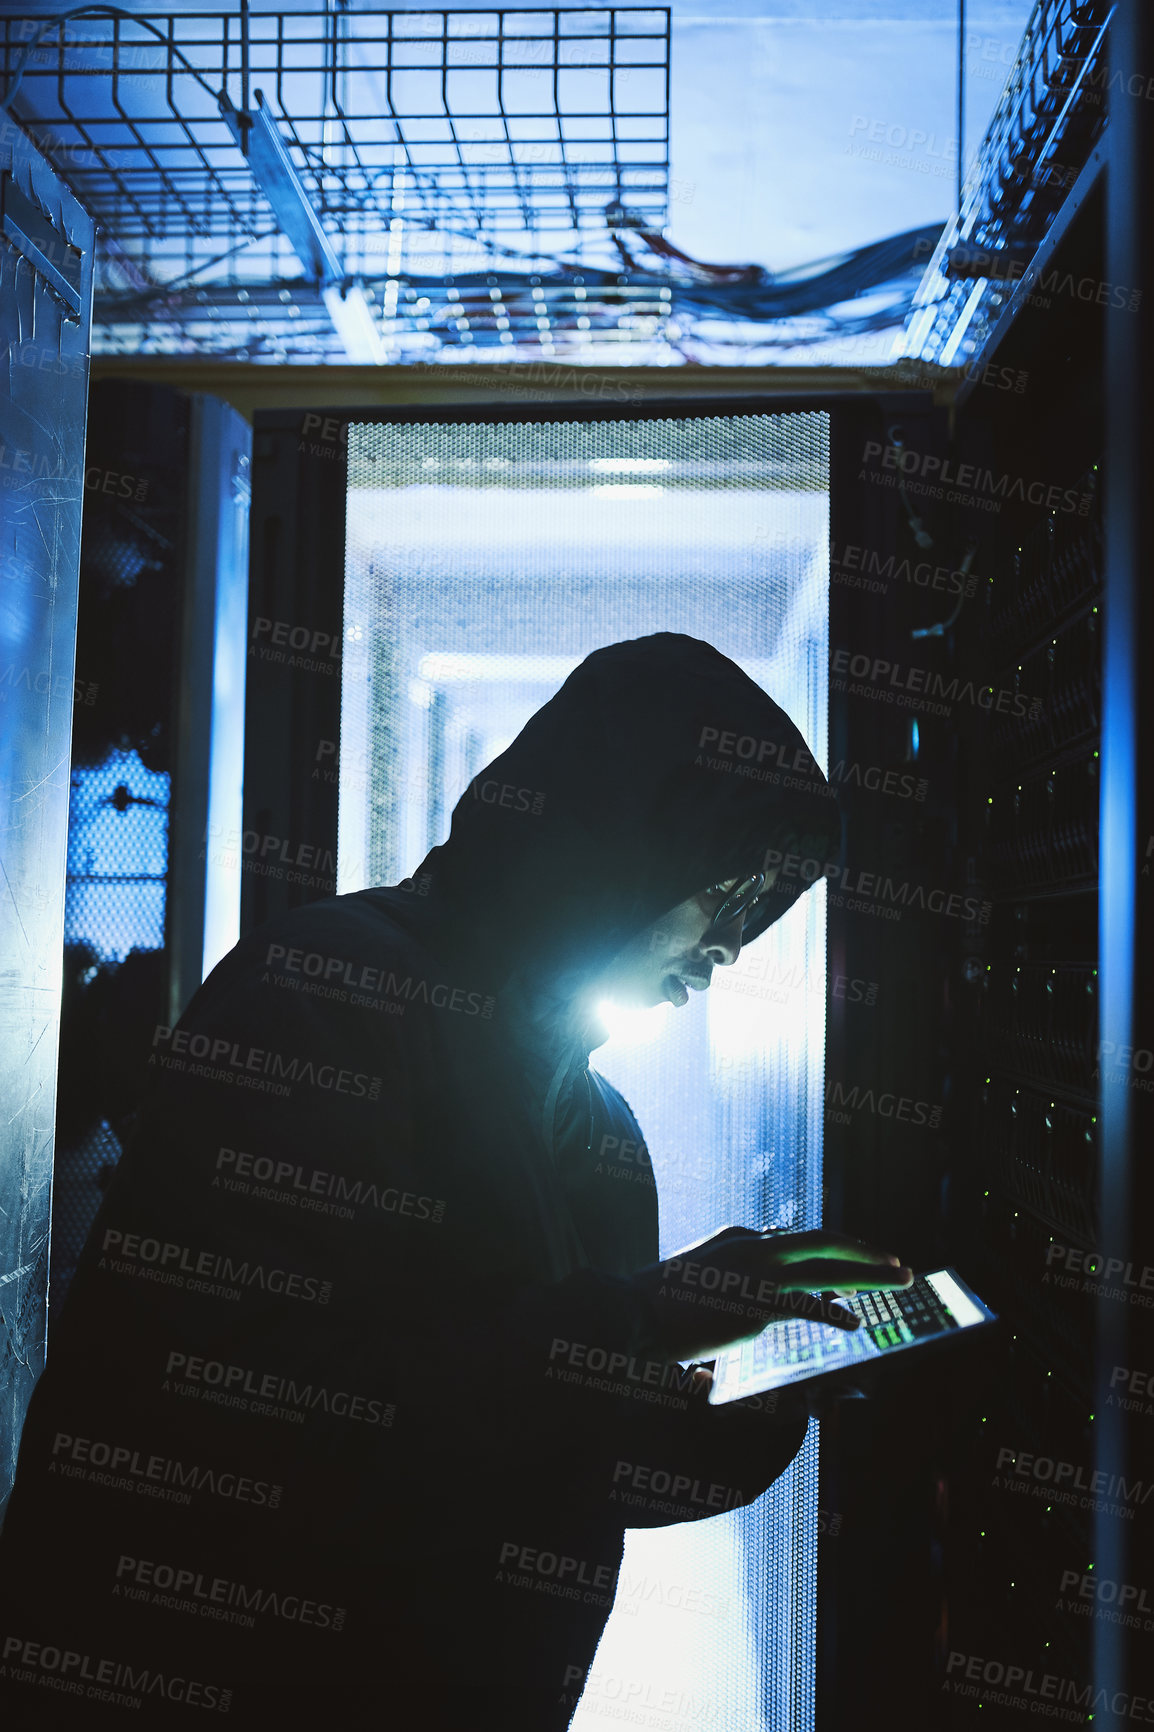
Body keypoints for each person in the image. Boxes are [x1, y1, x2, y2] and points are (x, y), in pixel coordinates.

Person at [0, 631, 911, 1729]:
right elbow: (252, 1441)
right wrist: (639, 1319)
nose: (725, 949)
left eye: (751, 914)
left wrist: (759, 1397)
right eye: (720, 892)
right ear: (611, 843)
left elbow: (564, 1466)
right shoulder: (324, 993)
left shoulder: (602, 1131)